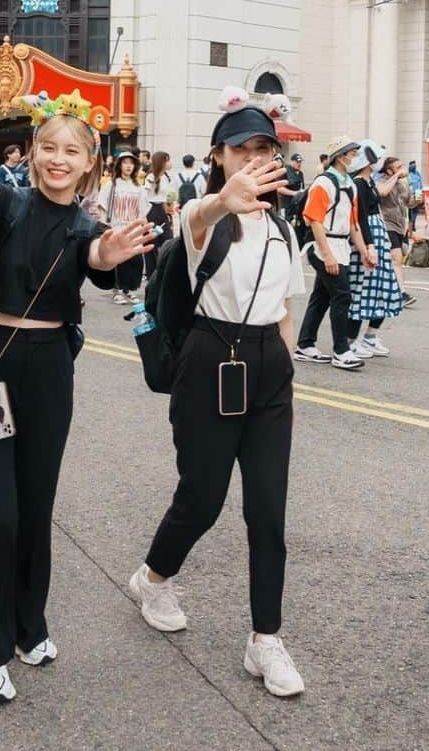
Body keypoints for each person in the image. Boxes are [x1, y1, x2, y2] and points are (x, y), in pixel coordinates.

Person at [0, 100, 151, 705]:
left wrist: (109, 256)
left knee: (35, 510)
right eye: (49, 147)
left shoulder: (88, 227)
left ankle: (30, 624)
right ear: (32, 154)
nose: (59, 159)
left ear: (89, 165)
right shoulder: (7, 203)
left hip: (50, 373)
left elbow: (95, 257)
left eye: (72, 151)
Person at [129, 97, 306, 698]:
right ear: (219, 157)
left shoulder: (285, 228)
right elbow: (196, 219)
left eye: (265, 149)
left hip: (267, 369)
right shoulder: (205, 221)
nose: (256, 160)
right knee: (202, 498)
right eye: (243, 150)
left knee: (268, 511)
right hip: (209, 360)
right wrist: (220, 200)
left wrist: (285, 375)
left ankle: (266, 639)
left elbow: (285, 308)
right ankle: (153, 578)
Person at [293, 136, 371, 370]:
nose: (354, 157)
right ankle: (341, 350)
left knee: (322, 296)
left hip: (340, 246)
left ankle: (305, 344)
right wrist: (327, 255)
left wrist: (364, 250)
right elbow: (314, 221)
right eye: (351, 153)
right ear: (339, 156)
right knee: (342, 294)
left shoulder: (349, 184)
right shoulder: (323, 183)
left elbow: (353, 223)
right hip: (323, 245)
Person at [345, 140, 401, 358]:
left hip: (377, 236)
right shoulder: (359, 183)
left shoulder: (367, 182)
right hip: (369, 237)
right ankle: (351, 340)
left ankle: (368, 336)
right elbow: (361, 218)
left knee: (382, 289)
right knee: (363, 290)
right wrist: (368, 245)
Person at [97, 151, 148, 304]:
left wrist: (144, 227)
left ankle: (130, 289)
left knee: (134, 260)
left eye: (131, 163)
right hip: (116, 228)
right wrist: (104, 228)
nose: (128, 166)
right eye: (125, 162)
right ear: (119, 165)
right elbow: (102, 207)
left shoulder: (138, 187)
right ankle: (117, 290)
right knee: (118, 260)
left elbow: (142, 211)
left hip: (133, 230)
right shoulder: (111, 185)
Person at [376, 157, 415, 307]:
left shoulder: (402, 184)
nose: (402, 169)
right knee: (396, 258)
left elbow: (408, 203)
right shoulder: (382, 182)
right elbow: (383, 192)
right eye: (397, 167)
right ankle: (401, 293)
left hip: (400, 226)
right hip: (387, 224)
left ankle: (385, 290)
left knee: (393, 258)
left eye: (401, 166)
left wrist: (417, 200)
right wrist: (396, 176)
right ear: (389, 170)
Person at [143, 150, 173, 279]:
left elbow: (164, 197)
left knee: (167, 239)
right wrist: (143, 215)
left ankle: (163, 270)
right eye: (167, 160)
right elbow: (144, 196)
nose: (170, 163)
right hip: (151, 210)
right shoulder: (150, 177)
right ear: (161, 162)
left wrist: (168, 210)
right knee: (152, 242)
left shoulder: (165, 177)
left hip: (162, 210)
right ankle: (152, 274)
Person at [278, 152, 305, 217]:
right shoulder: (284, 171)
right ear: (292, 161)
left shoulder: (300, 173)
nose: (299, 163)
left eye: (300, 162)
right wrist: (294, 193)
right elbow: (279, 188)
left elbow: (301, 187)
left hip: (296, 204)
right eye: (297, 161)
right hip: (286, 204)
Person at [407, 160, 424, 230]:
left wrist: (421, 192)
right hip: (411, 193)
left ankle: (413, 223)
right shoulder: (408, 174)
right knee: (410, 209)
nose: (414, 166)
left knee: (416, 209)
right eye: (412, 165)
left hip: (418, 193)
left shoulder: (417, 173)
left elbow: (420, 183)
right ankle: (411, 223)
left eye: (415, 165)